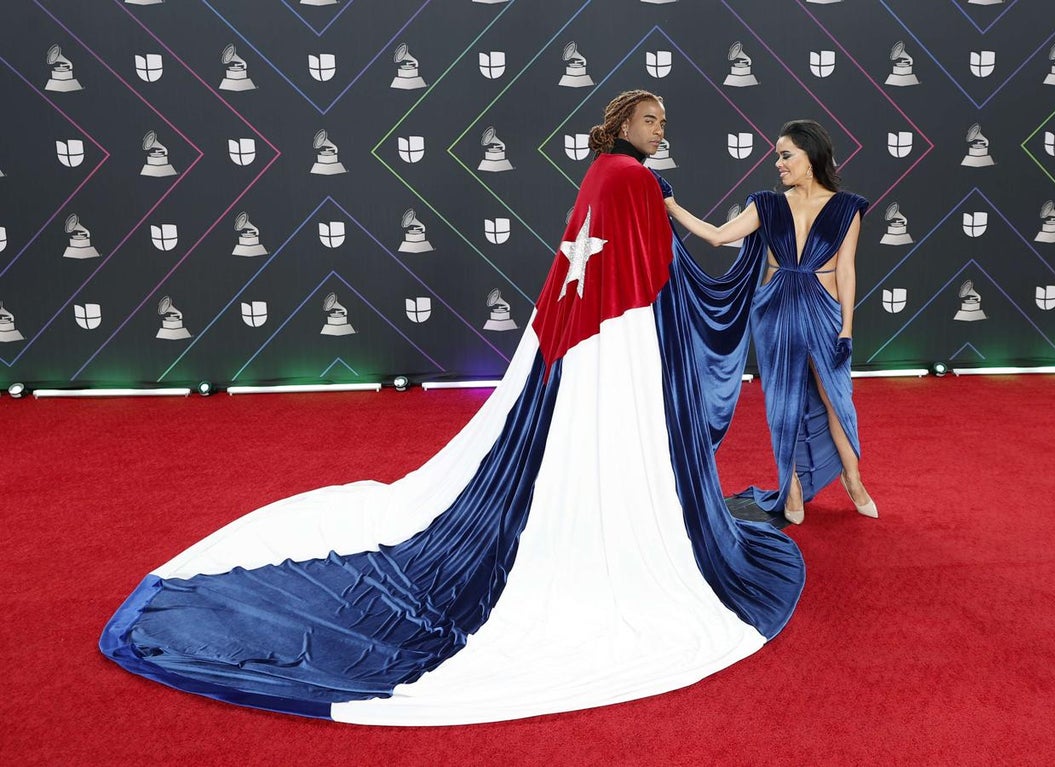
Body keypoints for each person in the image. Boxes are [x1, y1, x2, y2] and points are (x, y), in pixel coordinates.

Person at [99, 91, 805, 726]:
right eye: (650, 119)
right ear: (620, 122)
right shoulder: (629, 178)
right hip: (610, 339)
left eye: (663, 121)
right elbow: (648, 271)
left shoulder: (605, 175)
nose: (660, 130)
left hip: (581, 337)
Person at [663, 119, 878, 526]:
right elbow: (717, 236)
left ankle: (853, 478)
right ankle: (791, 485)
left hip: (824, 310)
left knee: (837, 400)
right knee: (783, 404)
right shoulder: (766, 203)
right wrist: (672, 208)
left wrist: (847, 325)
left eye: (785, 155)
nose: (778, 163)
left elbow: (846, 269)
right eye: (778, 156)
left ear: (810, 158)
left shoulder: (848, 207)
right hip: (775, 310)